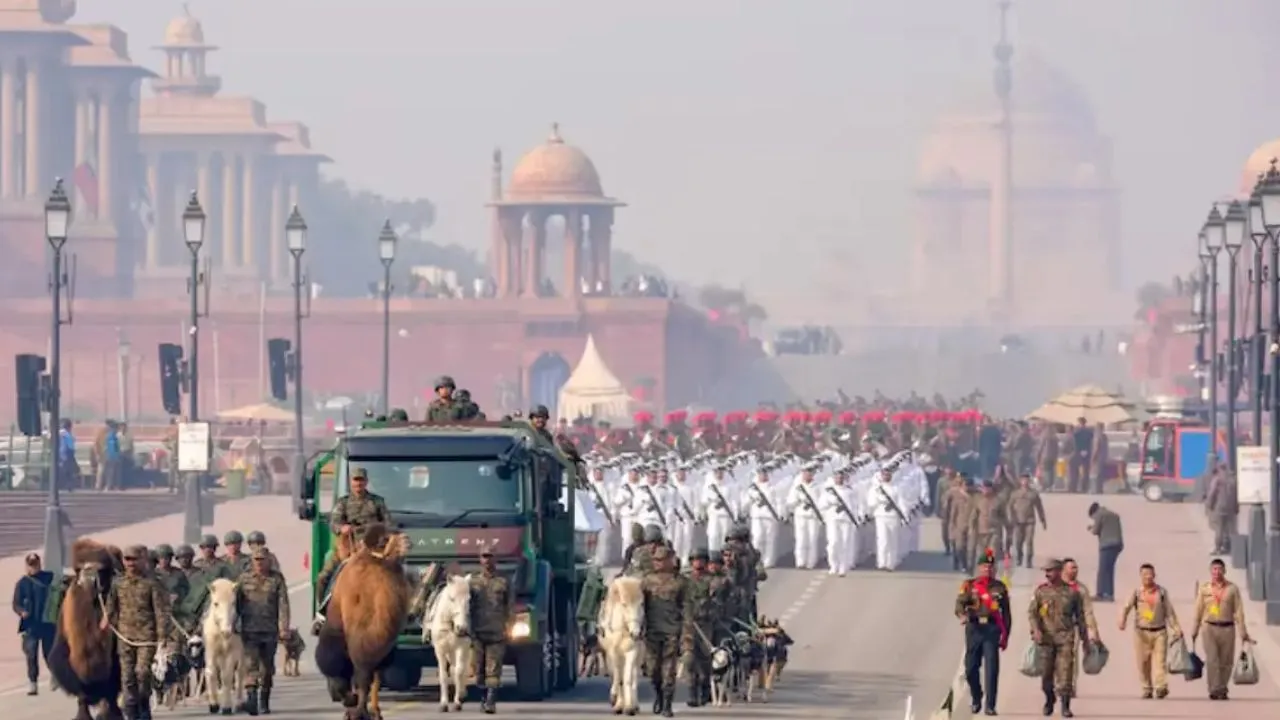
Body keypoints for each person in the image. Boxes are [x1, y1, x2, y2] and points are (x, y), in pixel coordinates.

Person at [105, 545, 171, 720]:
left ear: (143, 560)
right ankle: (132, 710)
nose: (130, 563)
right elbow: (111, 607)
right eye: (127, 559)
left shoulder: (152, 583)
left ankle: (144, 703)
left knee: (142, 673)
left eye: (134, 559)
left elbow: (161, 611)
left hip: (146, 638)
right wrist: (105, 622)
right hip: (125, 637)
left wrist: (162, 637)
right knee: (127, 676)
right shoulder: (118, 583)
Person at [318, 467, 391, 596]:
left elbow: (388, 524)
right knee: (323, 577)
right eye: (356, 480)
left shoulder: (377, 502)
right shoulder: (343, 503)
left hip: (374, 548)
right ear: (351, 482)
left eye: (361, 480)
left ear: (366, 482)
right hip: (348, 547)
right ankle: (323, 606)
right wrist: (342, 528)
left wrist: (379, 532)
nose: (358, 483)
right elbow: (334, 523)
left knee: (397, 573)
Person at [1028, 559, 1087, 717]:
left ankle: (1065, 706)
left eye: (1050, 571)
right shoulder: (1041, 592)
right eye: (1046, 571)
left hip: (1065, 638)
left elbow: (1080, 617)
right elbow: (1032, 613)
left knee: (1065, 673)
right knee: (1046, 676)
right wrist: (1035, 630)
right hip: (1046, 640)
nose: (1047, 574)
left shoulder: (1072, 593)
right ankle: (1049, 699)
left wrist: (1085, 640)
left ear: (1059, 571)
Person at [955, 547, 1010, 716]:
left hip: (991, 630)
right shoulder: (969, 585)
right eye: (985, 566)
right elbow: (959, 604)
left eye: (991, 567)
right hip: (974, 629)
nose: (988, 569)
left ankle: (990, 705)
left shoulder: (1000, 587)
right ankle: (977, 696)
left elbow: (1006, 614)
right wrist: (962, 615)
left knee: (992, 668)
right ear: (979, 568)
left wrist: (1005, 635)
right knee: (971, 668)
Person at [236, 547, 291, 715]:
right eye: (256, 560)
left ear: (268, 561)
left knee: (267, 668)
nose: (259, 563)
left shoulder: (276, 579)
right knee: (250, 665)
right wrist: (233, 625)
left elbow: (283, 604)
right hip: (249, 630)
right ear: (252, 561)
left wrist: (284, 628)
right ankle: (252, 699)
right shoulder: (243, 579)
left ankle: (264, 701)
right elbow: (235, 604)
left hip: (269, 630)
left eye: (262, 560)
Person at [1118, 563, 1182, 699]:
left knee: (1160, 661)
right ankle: (1146, 687)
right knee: (1143, 663)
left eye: (1150, 574)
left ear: (1154, 575)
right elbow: (1126, 607)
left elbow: (1169, 612)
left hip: (1159, 632)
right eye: (1145, 574)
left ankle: (1160, 687)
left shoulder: (1162, 592)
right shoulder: (1136, 592)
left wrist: (1176, 628)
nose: (1148, 577)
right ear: (1140, 576)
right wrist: (1122, 620)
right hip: (1141, 633)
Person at [1192, 558, 1252, 700]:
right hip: (1209, 628)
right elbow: (1198, 610)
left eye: (1219, 569)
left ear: (1224, 571)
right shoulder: (1204, 588)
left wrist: (1243, 631)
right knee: (1212, 660)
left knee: (1226, 661)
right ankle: (1214, 688)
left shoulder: (1232, 589)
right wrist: (1195, 629)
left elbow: (1238, 611)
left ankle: (1223, 687)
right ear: (1210, 571)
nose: (1217, 572)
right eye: (1214, 569)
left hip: (1227, 628)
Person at [641, 545, 689, 717]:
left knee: (668, 669)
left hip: (672, 631)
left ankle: (667, 704)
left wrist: (686, 632)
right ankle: (659, 696)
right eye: (655, 560)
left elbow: (687, 608)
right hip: (652, 632)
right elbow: (639, 606)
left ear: (670, 560)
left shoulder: (680, 582)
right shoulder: (646, 581)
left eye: (661, 560)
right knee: (653, 670)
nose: (658, 563)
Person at [469, 548, 513, 714]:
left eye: (490, 557)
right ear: (480, 559)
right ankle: (482, 699)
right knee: (478, 671)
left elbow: (510, 606)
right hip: (477, 633)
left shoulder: (504, 581)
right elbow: (466, 606)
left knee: (493, 670)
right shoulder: (472, 582)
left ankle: (491, 701)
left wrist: (510, 626)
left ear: (495, 559)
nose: (487, 560)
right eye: (484, 557)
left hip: (497, 633)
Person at [682, 548, 723, 707]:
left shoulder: (712, 581)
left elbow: (717, 601)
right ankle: (691, 692)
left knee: (705, 659)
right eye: (695, 560)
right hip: (688, 625)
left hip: (706, 625)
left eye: (701, 560)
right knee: (689, 658)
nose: (698, 563)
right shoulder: (685, 580)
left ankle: (705, 689)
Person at [12, 552, 55, 695]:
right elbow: (16, 603)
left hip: (48, 624)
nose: (33, 568)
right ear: (26, 566)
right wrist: (21, 611)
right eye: (30, 565)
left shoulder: (49, 578)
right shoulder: (22, 583)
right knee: (31, 655)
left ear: (39, 564)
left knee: (50, 653)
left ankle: (55, 676)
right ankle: (33, 682)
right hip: (31, 625)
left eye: (35, 565)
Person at [785, 463, 824, 569]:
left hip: (813, 516)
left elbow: (822, 502)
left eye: (809, 473)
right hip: (801, 515)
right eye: (805, 473)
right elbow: (790, 502)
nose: (806, 475)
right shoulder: (797, 487)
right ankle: (800, 561)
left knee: (812, 539)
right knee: (801, 539)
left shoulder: (818, 486)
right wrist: (798, 500)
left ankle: (811, 562)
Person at [1007, 473, 1047, 569]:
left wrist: (1043, 520)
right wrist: (1011, 518)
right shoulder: (1015, 493)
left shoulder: (1033, 494)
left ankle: (1029, 560)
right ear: (1020, 481)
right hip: (1018, 521)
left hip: (1030, 521)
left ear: (1029, 481)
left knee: (1029, 541)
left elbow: (1039, 507)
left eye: (1026, 480)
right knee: (1018, 542)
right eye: (1023, 480)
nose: (1025, 482)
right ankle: (1019, 557)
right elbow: (1009, 506)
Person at [1086, 502, 1123, 601]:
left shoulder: (1099, 514)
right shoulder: (1114, 515)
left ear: (1093, 513)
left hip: (1107, 545)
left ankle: (1101, 594)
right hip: (1117, 544)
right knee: (1109, 570)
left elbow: (1095, 531)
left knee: (1103, 571)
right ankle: (1109, 594)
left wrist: (1090, 528)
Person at [1205, 469, 1239, 555]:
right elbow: (1236, 495)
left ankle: (1218, 548)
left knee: (1219, 528)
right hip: (1230, 508)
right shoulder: (1233, 480)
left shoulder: (1217, 479)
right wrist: (1236, 507)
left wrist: (1209, 505)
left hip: (1219, 507)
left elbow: (1212, 493)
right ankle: (1231, 547)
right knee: (1230, 529)